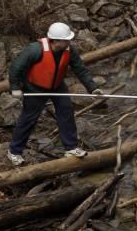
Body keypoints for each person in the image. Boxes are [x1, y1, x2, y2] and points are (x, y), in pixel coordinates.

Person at [6, 22, 104, 166]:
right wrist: (15, 87)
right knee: (29, 119)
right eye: (66, 39)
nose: (69, 41)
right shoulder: (35, 50)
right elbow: (16, 68)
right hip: (35, 88)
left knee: (66, 112)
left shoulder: (69, 50)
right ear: (56, 41)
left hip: (58, 86)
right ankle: (14, 152)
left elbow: (80, 70)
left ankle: (71, 148)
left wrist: (92, 88)